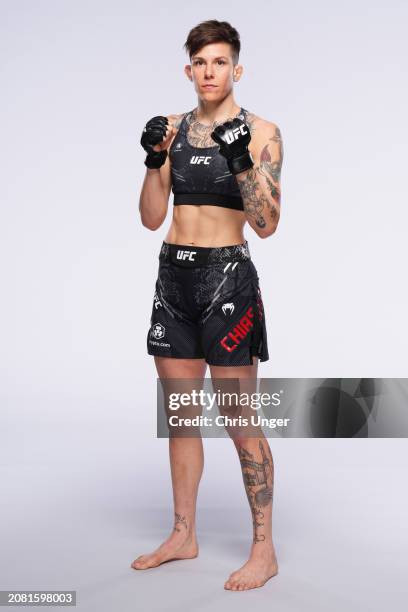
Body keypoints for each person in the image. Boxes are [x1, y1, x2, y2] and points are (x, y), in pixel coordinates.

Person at [131, 19, 283, 591]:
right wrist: (152, 159)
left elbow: (266, 224)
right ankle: (183, 533)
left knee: (240, 419)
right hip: (174, 281)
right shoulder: (169, 129)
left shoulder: (263, 131)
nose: (210, 71)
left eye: (220, 62)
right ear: (189, 69)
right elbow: (150, 218)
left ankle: (263, 551)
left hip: (227, 281)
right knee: (181, 418)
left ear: (235, 68)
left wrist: (241, 160)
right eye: (201, 62)